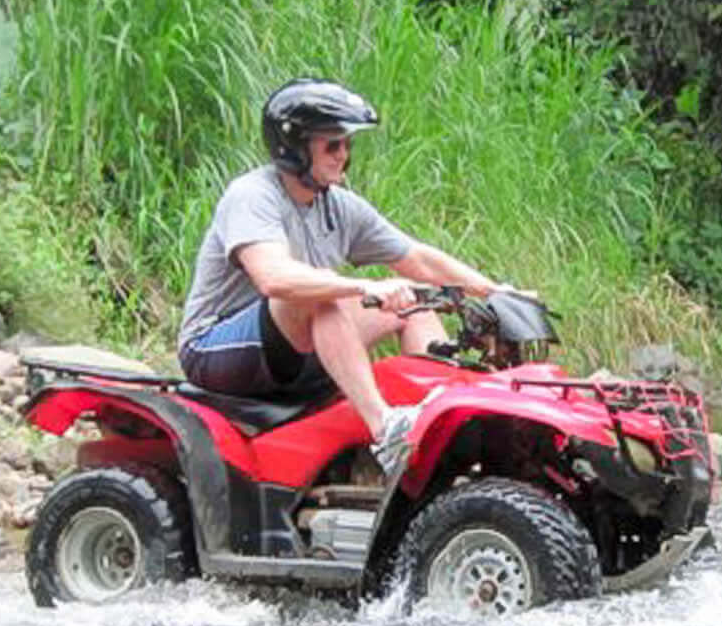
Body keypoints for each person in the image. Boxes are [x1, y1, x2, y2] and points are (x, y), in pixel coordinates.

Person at [177, 78, 511, 469]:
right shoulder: (252, 195)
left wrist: (495, 292)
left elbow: (416, 258)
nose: (343, 155)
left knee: (416, 305)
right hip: (214, 348)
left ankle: (433, 426)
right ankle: (387, 431)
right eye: (331, 145)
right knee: (322, 299)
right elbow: (274, 278)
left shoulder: (338, 206)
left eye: (347, 144)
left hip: (295, 345)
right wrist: (364, 286)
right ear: (294, 147)